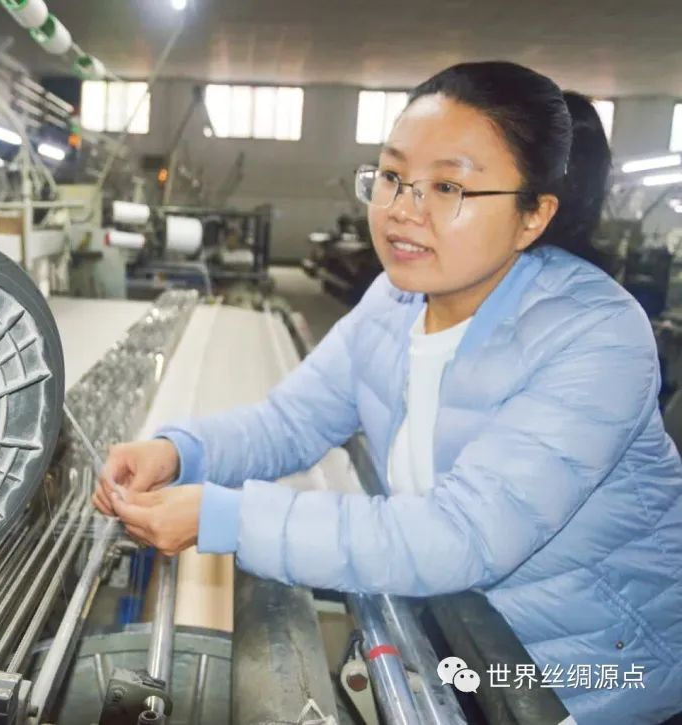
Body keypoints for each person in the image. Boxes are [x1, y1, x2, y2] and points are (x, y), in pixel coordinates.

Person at [93, 62, 682, 724]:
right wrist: (179, 452)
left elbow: (461, 535)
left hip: (592, 680)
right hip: (464, 638)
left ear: (533, 215)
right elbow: (289, 421)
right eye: (393, 176)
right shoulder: (395, 301)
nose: (402, 209)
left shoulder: (596, 335)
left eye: (448, 186)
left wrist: (225, 517)